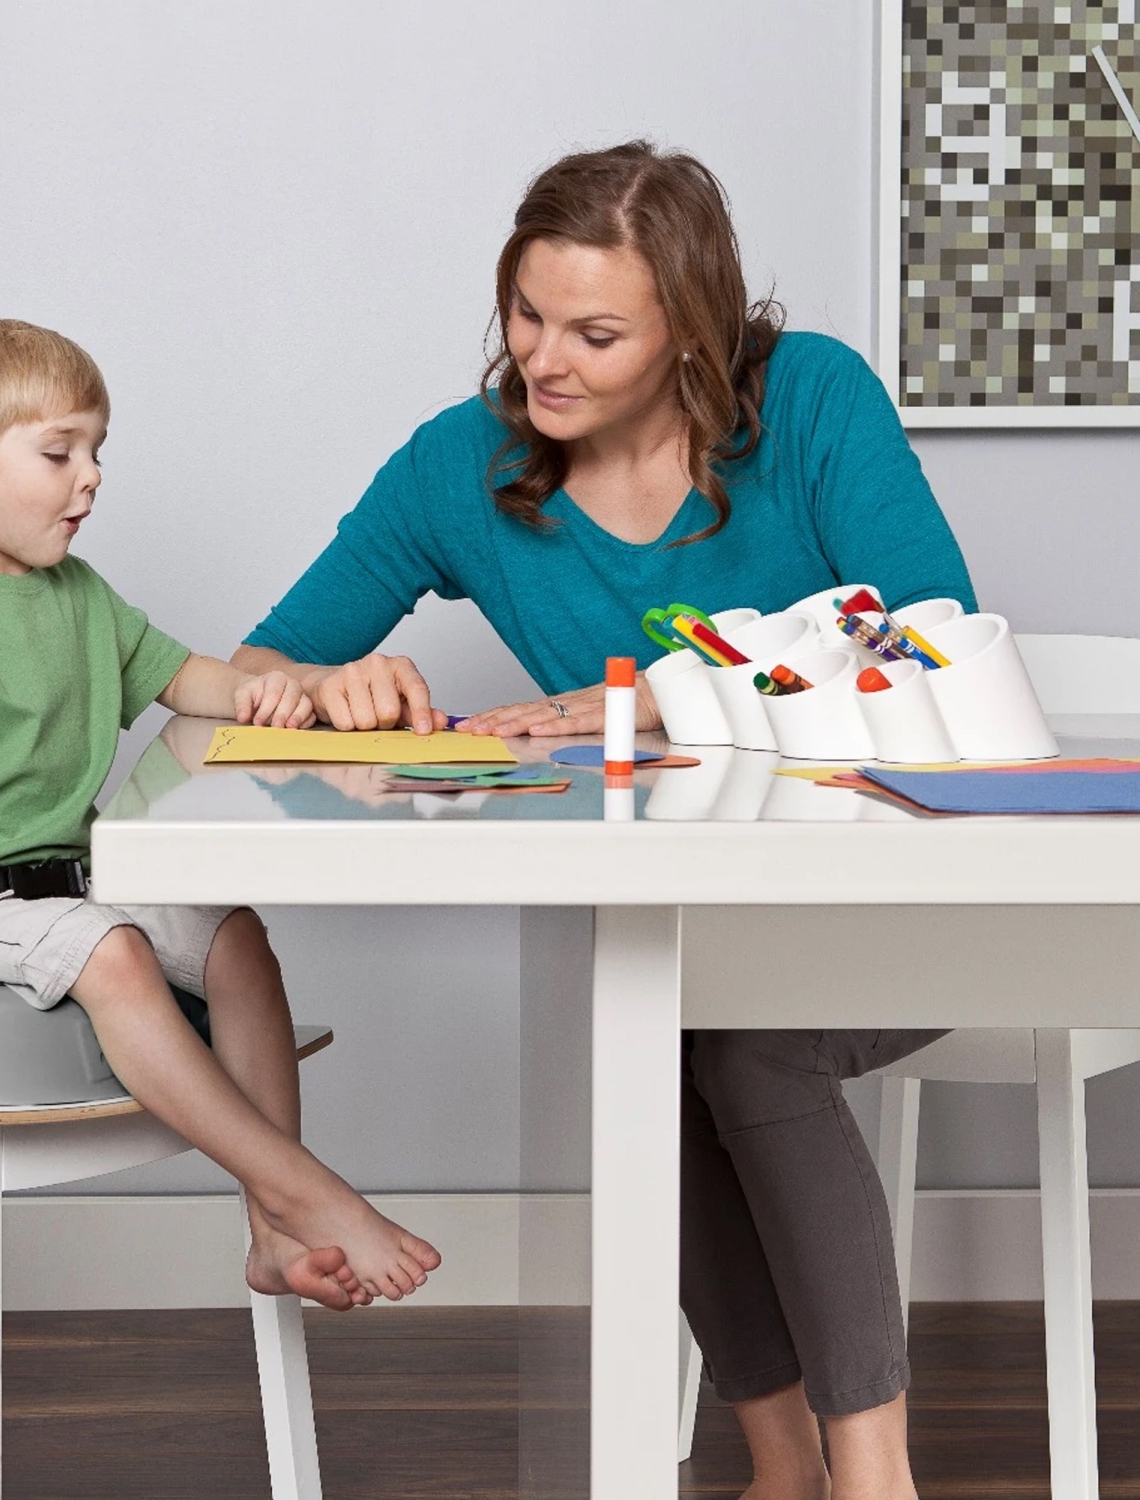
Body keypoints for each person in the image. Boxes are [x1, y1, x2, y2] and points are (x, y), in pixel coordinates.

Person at [233, 142, 975, 1498]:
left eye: (594, 332)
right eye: (525, 315)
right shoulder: (464, 466)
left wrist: (663, 695)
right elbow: (238, 680)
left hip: (911, 898)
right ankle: (781, 1472)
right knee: (661, 1031)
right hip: (704, 927)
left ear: (689, 331)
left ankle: (873, 1479)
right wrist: (323, 685)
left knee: (734, 1035)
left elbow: (929, 643)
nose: (542, 362)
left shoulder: (811, 400)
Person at [0, 317, 440, 1311]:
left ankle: (270, 1234)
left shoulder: (79, 594)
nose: (92, 477)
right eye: (60, 451)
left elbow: (191, 678)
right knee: (113, 951)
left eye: (97, 451)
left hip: (66, 889)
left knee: (233, 938)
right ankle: (304, 1192)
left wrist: (292, 692)